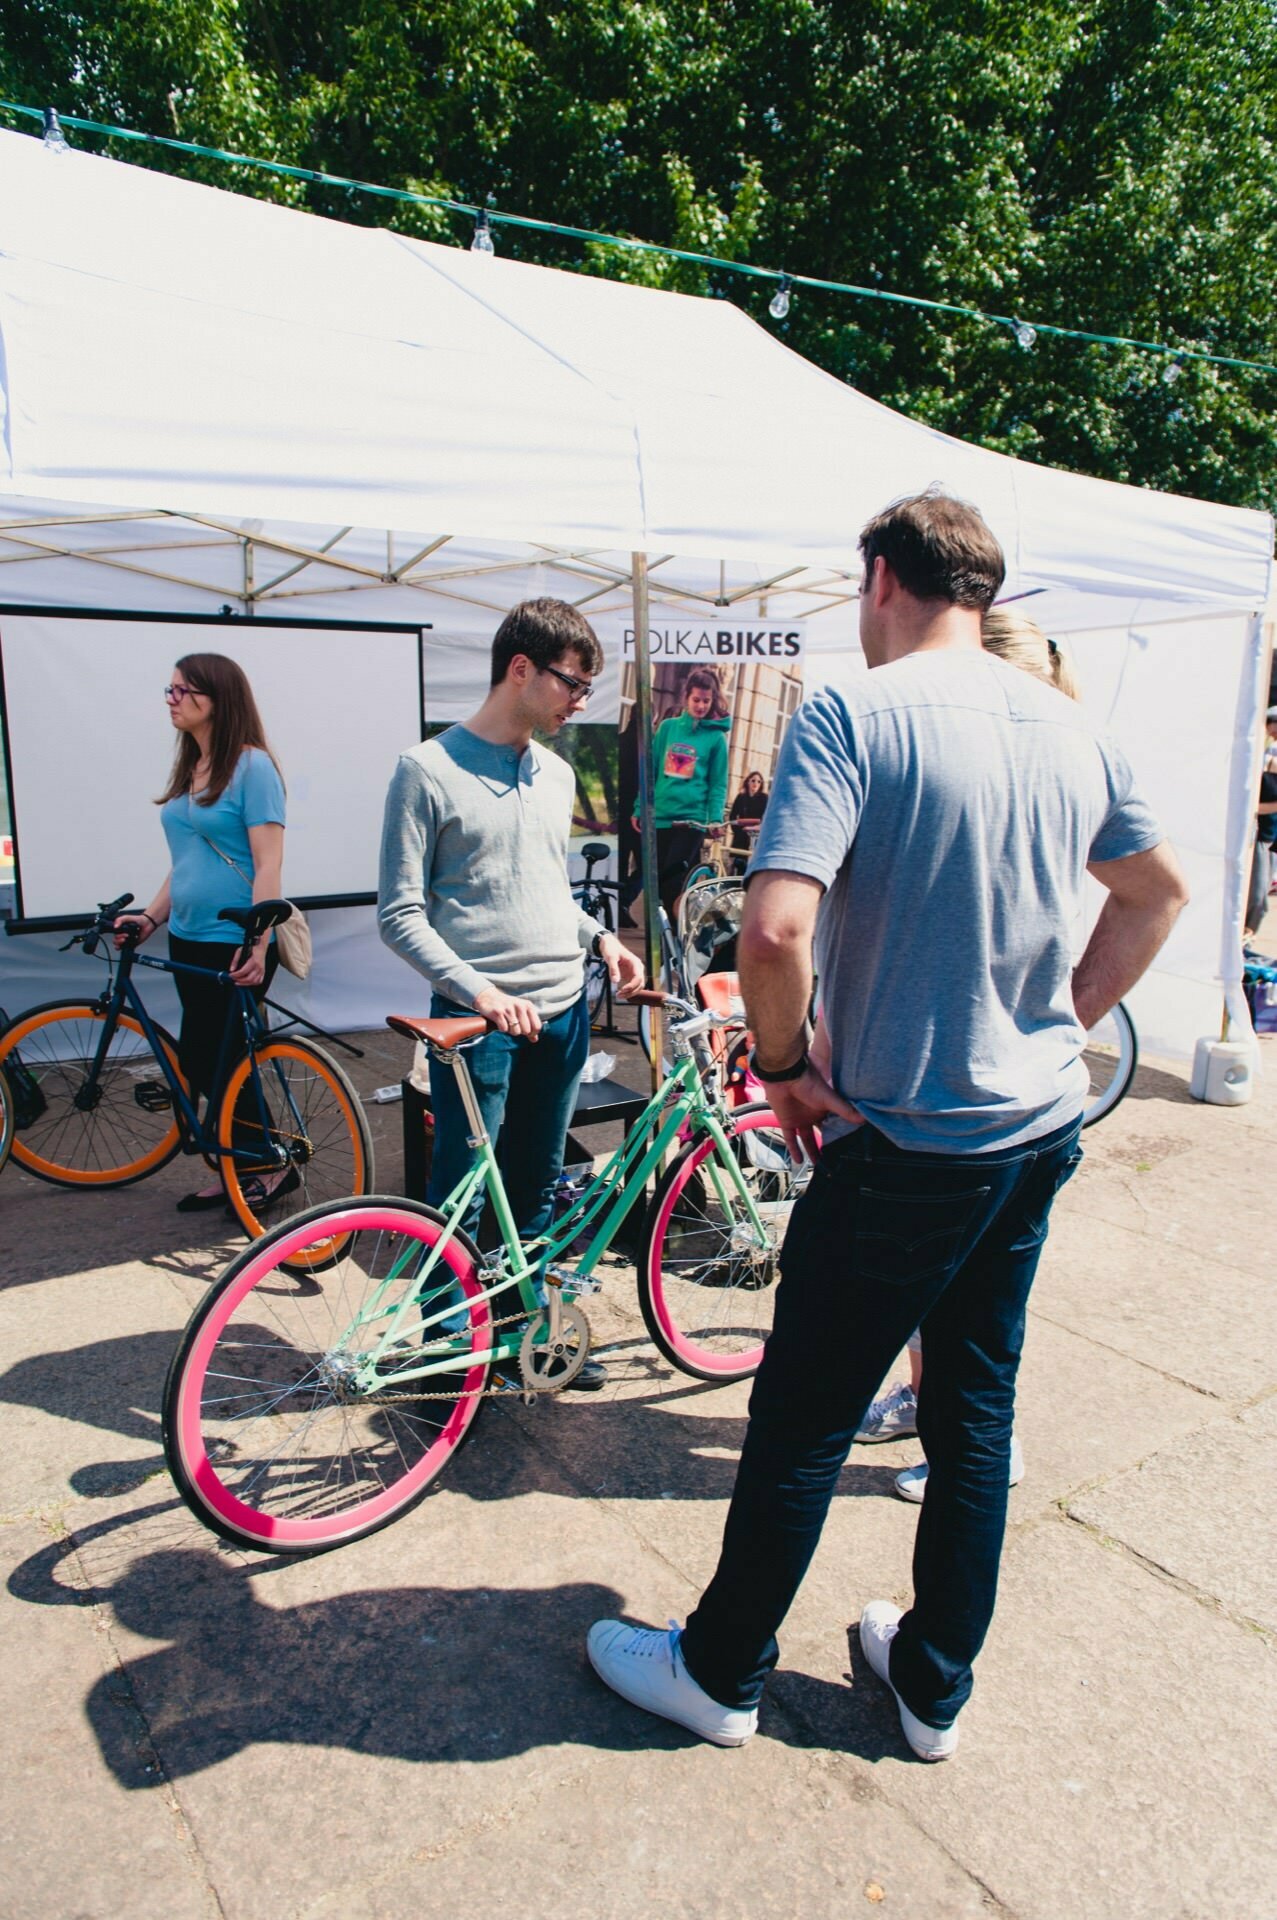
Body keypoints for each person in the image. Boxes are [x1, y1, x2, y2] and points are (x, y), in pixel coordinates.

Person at [587, 490, 1187, 1758]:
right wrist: (1061, 1020)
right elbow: (1158, 895)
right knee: (973, 1410)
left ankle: (717, 1671)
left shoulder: (854, 713)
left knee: (803, 1419)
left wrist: (783, 1065)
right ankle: (930, 1688)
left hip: (906, 1138)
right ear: (982, 591)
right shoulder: (1069, 728)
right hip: (1030, 1130)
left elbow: (771, 931)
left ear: (878, 580)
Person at [377, 597, 644, 1391]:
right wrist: (478, 994)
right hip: (478, 1023)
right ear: (519, 669)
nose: (580, 701)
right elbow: (398, 914)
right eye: (572, 682)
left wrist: (597, 938)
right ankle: (445, 1350)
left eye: (589, 687)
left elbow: (541, 891)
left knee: (535, 1185)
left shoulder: (555, 772)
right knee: (460, 1190)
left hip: (559, 1013)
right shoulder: (425, 770)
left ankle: (533, 1338)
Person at [856, 607, 1081, 1501]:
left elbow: (1157, 892)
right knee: (948, 1300)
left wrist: (1064, 1017)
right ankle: (923, 1400)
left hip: (986, 1101)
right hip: (974, 1089)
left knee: (977, 1316)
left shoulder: (1039, 766)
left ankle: (989, 1440)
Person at [113, 654, 288, 1214]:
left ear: (218, 698)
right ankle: (242, 1162)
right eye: (170, 689)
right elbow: (185, 861)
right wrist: (151, 917)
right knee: (205, 1060)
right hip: (187, 935)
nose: (172, 699)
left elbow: (268, 864)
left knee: (224, 1058)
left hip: (234, 939)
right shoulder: (192, 766)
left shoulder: (252, 768)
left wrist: (259, 942)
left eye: (183, 690)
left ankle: (267, 1165)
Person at [639, 666, 731, 918]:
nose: (701, 705)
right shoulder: (668, 728)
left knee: (672, 883)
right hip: (661, 816)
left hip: (692, 821)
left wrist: (714, 818)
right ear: (686, 697)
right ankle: (668, 937)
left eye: (706, 700)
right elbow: (651, 769)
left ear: (713, 701)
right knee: (656, 884)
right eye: (696, 699)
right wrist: (640, 807)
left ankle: (673, 940)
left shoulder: (716, 739)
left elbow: (717, 784)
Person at [1244, 705, 1277, 943]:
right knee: (1258, 893)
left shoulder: (1270, 754)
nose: (1269, 729)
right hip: (1262, 834)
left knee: (1260, 891)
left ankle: (1249, 932)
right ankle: (1248, 932)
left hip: (1267, 835)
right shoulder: (1266, 754)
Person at [727, 771, 769, 874]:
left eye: (759, 781)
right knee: (736, 862)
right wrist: (737, 830)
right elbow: (733, 815)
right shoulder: (741, 797)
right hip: (740, 835)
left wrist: (759, 828)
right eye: (753, 780)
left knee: (750, 862)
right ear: (748, 782)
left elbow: (765, 816)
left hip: (755, 835)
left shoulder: (764, 798)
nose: (756, 784)